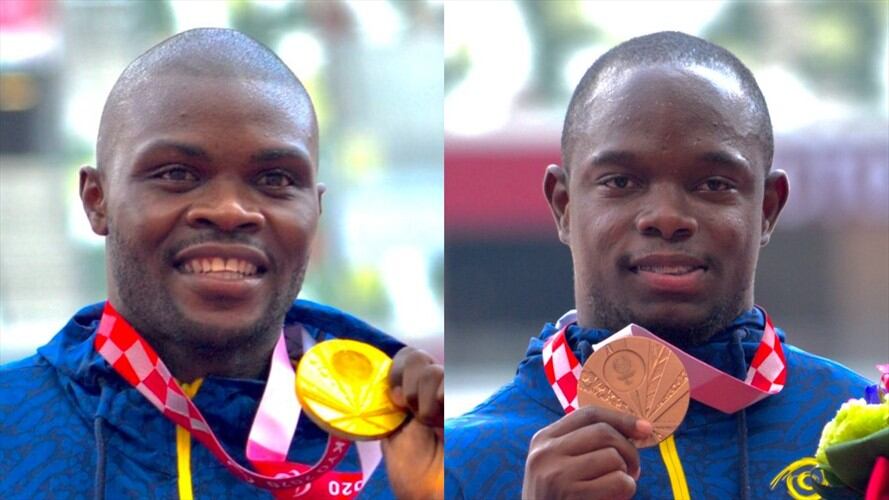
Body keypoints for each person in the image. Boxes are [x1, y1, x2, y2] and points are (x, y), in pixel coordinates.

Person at [0, 28, 443, 500]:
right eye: (177, 174)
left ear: (315, 211)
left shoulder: (413, 439)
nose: (231, 209)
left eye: (274, 179)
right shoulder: (13, 423)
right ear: (97, 200)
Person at [444, 31, 870, 499]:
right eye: (621, 181)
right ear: (563, 205)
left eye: (712, 184)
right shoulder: (449, 470)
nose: (667, 218)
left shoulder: (866, 438)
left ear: (767, 208)